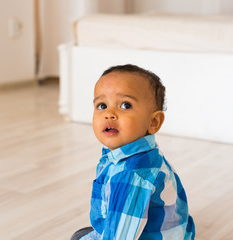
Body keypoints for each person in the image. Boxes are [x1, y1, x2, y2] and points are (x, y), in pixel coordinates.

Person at [71, 64, 195, 240]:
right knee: (82, 234)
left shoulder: (133, 175)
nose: (109, 114)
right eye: (101, 105)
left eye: (125, 105)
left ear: (154, 122)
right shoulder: (142, 156)